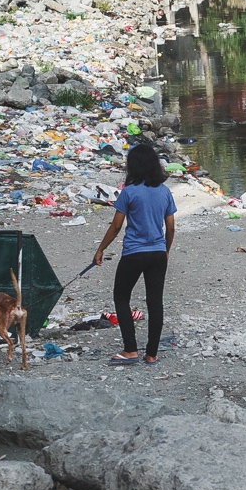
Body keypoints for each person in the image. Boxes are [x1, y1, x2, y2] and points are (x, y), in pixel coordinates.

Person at [92, 142, 177, 364]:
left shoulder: (129, 192)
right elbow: (170, 227)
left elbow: (116, 226)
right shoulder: (165, 191)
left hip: (134, 253)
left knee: (121, 297)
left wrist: (101, 249)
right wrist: (166, 250)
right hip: (157, 252)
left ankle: (130, 349)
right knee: (155, 301)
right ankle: (151, 353)